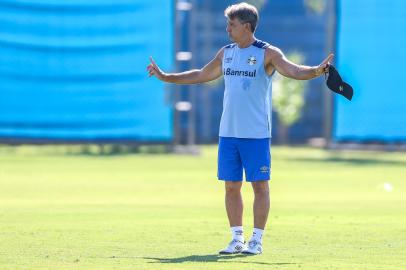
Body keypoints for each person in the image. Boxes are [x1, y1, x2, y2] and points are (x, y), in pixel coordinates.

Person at [147, 2, 332, 255]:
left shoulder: (268, 53)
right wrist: (167, 77)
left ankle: (256, 241)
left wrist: (316, 71)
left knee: (260, 187)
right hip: (228, 134)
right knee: (231, 187)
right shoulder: (227, 52)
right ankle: (236, 239)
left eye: (231, 25)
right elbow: (201, 74)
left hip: (255, 134)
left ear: (247, 26)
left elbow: (292, 70)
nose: (227, 29)